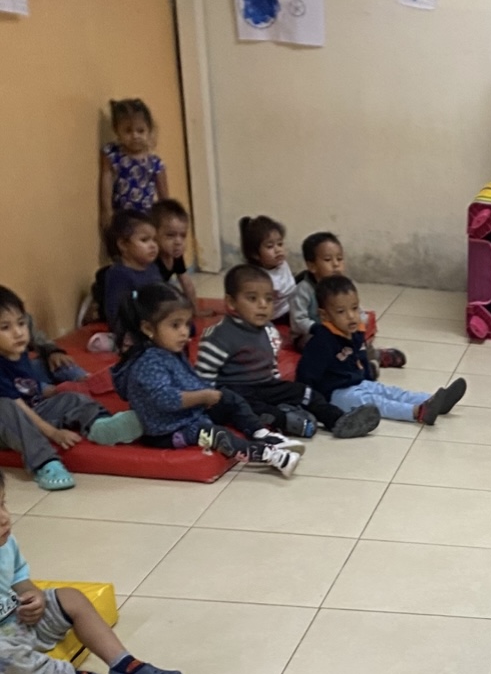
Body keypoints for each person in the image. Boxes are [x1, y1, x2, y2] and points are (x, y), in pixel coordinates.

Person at [0, 467, 184, 674]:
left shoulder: (6, 543)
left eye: (3, 504)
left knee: (71, 597)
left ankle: (124, 666)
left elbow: (19, 577)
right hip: (4, 649)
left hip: (20, 621)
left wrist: (34, 596)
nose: (4, 518)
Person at [115, 284, 301, 477]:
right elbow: (165, 399)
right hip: (169, 430)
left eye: (186, 324)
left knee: (228, 398)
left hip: (188, 414)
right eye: (175, 325)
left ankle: (260, 432)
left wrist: (209, 394)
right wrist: (203, 396)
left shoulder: (168, 351)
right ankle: (269, 455)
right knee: (217, 435)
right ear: (147, 328)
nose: (184, 332)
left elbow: (188, 380)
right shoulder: (149, 361)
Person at [196, 265, 379, 440]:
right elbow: (203, 378)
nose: (263, 305)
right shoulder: (219, 336)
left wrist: (280, 391)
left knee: (306, 392)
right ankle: (287, 421)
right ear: (231, 302)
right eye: (252, 299)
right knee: (254, 409)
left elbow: (272, 366)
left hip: (266, 386)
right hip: (236, 392)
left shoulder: (269, 330)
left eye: (268, 299)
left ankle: (338, 420)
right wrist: (210, 405)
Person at [0, 286, 143, 491]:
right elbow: (16, 405)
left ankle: (99, 426)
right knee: (5, 406)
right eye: (5, 328)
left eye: (21, 323)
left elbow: (27, 386)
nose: (18, 332)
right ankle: (44, 462)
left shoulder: (17, 350)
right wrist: (54, 433)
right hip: (7, 423)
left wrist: (57, 391)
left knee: (71, 398)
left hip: (31, 410)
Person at [298, 275, 466, 425]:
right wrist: (314, 406)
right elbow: (306, 376)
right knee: (376, 402)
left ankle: (433, 400)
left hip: (358, 383)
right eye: (341, 311)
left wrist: (369, 378)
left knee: (390, 392)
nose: (351, 316)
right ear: (325, 315)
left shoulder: (355, 332)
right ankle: (417, 412)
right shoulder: (321, 342)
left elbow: (361, 358)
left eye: (354, 308)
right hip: (336, 395)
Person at [290, 231, 407, 367]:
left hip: (341, 328)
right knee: (322, 346)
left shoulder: (344, 286)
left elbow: (356, 309)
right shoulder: (304, 290)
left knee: (357, 339)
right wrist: (319, 329)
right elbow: (298, 321)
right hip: (311, 334)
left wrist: (359, 321)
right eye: (328, 260)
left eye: (339, 259)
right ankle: (352, 367)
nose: (335, 264)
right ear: (312, 266)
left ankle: (376, 356)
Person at [99, 98, 169, 228]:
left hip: (146, 220)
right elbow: (106, 180)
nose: (135, 136)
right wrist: (106, 210)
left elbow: (164, 197)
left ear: (149, 130)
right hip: (121, 218)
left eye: (140, 131)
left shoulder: (155, 163)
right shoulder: (113, 155)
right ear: (117, 131)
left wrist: (165, 220)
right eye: (128, 131)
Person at [102, 210, 162, 338]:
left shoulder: (153, 268)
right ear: (123, 245)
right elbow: (115, 313)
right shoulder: (119, 275)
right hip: (133, 329)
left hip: (156, 322)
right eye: (145, 240)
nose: (153, 245)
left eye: (155, 240)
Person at [239, 214, 297, 321]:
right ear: (255, 254)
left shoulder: (279, 262)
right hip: (280, 313)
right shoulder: (259, 279)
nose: (278, 250)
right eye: (270, 246)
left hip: (292, 299)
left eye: (280, 244)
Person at [149, 198, 198, 312]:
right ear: (154, 235)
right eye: (170, 235)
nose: (178, 242)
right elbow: (150, 294)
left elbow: (186, 283)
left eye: (183, 236)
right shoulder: (151, 260)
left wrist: (195, 310)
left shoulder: (175, 254)